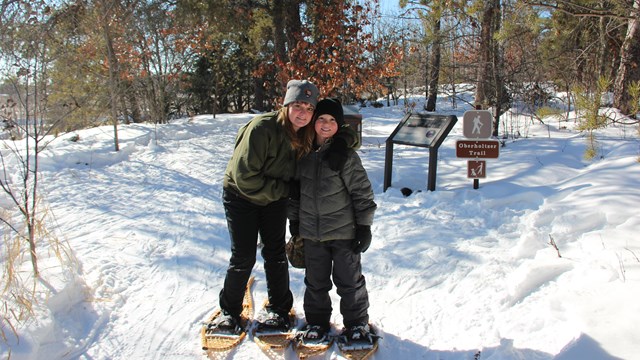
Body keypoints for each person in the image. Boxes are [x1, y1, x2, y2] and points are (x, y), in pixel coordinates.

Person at [212, 81, 359, 335]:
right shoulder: (263, 128)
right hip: (240, 196)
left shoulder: (306, 133)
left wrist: (341, 143)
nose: (303, 113)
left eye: (309, 108)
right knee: (243, 256)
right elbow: (245, 178)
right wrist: (286, 191)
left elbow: (341, 131)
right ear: (286, 104)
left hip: (274, 199)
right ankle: (229, 312)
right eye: (298, 106)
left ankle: (279, 309)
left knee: (276, 253)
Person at [288, 98, 377, 346]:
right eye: (321, 119)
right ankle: (316, 321)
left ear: (339, 125)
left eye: (332, 121)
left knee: (349, 282)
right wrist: (294, 222)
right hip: (312, 233)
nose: (326, 125)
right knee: (315, 283)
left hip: (343, 234)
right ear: (314, 122)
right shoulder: (302, 153)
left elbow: (362, 193)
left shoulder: (345, 156)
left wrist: (364, 226)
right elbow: (294, 193)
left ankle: (357, 323)